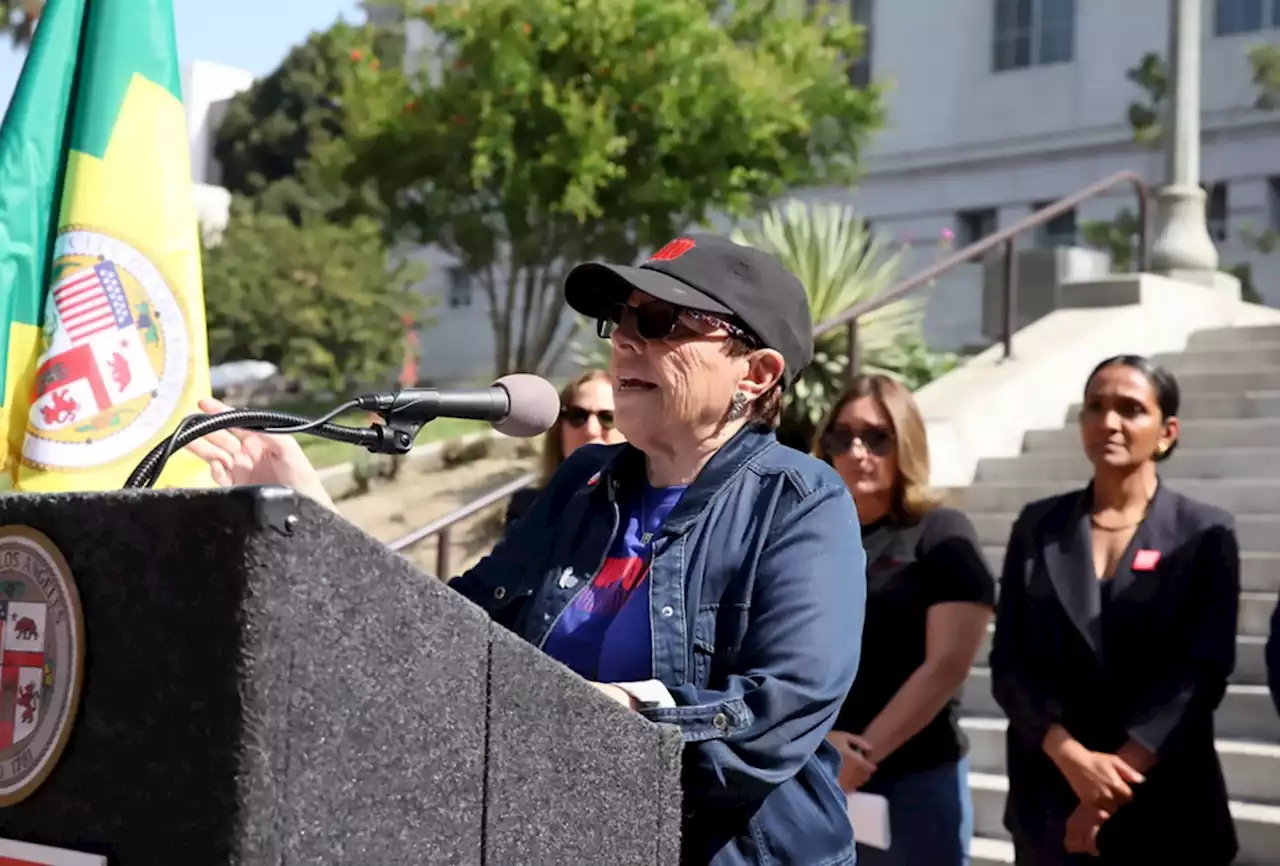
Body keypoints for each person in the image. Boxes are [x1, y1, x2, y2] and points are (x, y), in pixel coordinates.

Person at [186, 233, 868, 866]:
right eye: (621, 320)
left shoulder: (801, 502)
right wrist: (314, 514)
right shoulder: (584, 482)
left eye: (660, 322)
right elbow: (452, 633)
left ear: (756, 373)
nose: (626, 341)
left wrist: (611, 714)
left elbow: (775, 715)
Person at [990, 354, 1241, 865]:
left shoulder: (1205, 532)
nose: (1109, 422)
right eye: (1096, 406)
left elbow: (1202, 672)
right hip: (1050, 800)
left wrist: (1106, 789)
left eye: (1130, 409)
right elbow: (1010, 663)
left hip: (1166, 800)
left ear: (1167, 431)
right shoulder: (1038, 526)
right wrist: (1073, 760)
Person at [815, 373, 993, 866]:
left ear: (906, 443)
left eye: (877, 436)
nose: (857, 450)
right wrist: (821, 750)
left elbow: (947, 666)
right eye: (842, 437)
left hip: (914, 776)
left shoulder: (941, 533)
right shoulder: (807, 538)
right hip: (816, 768)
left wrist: (861, 756)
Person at [504, 369, 624, 528]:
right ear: (559, 428)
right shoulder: (529, 509)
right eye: (577, 416)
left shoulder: (651, 509)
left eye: (608, 418)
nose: (590, 430)